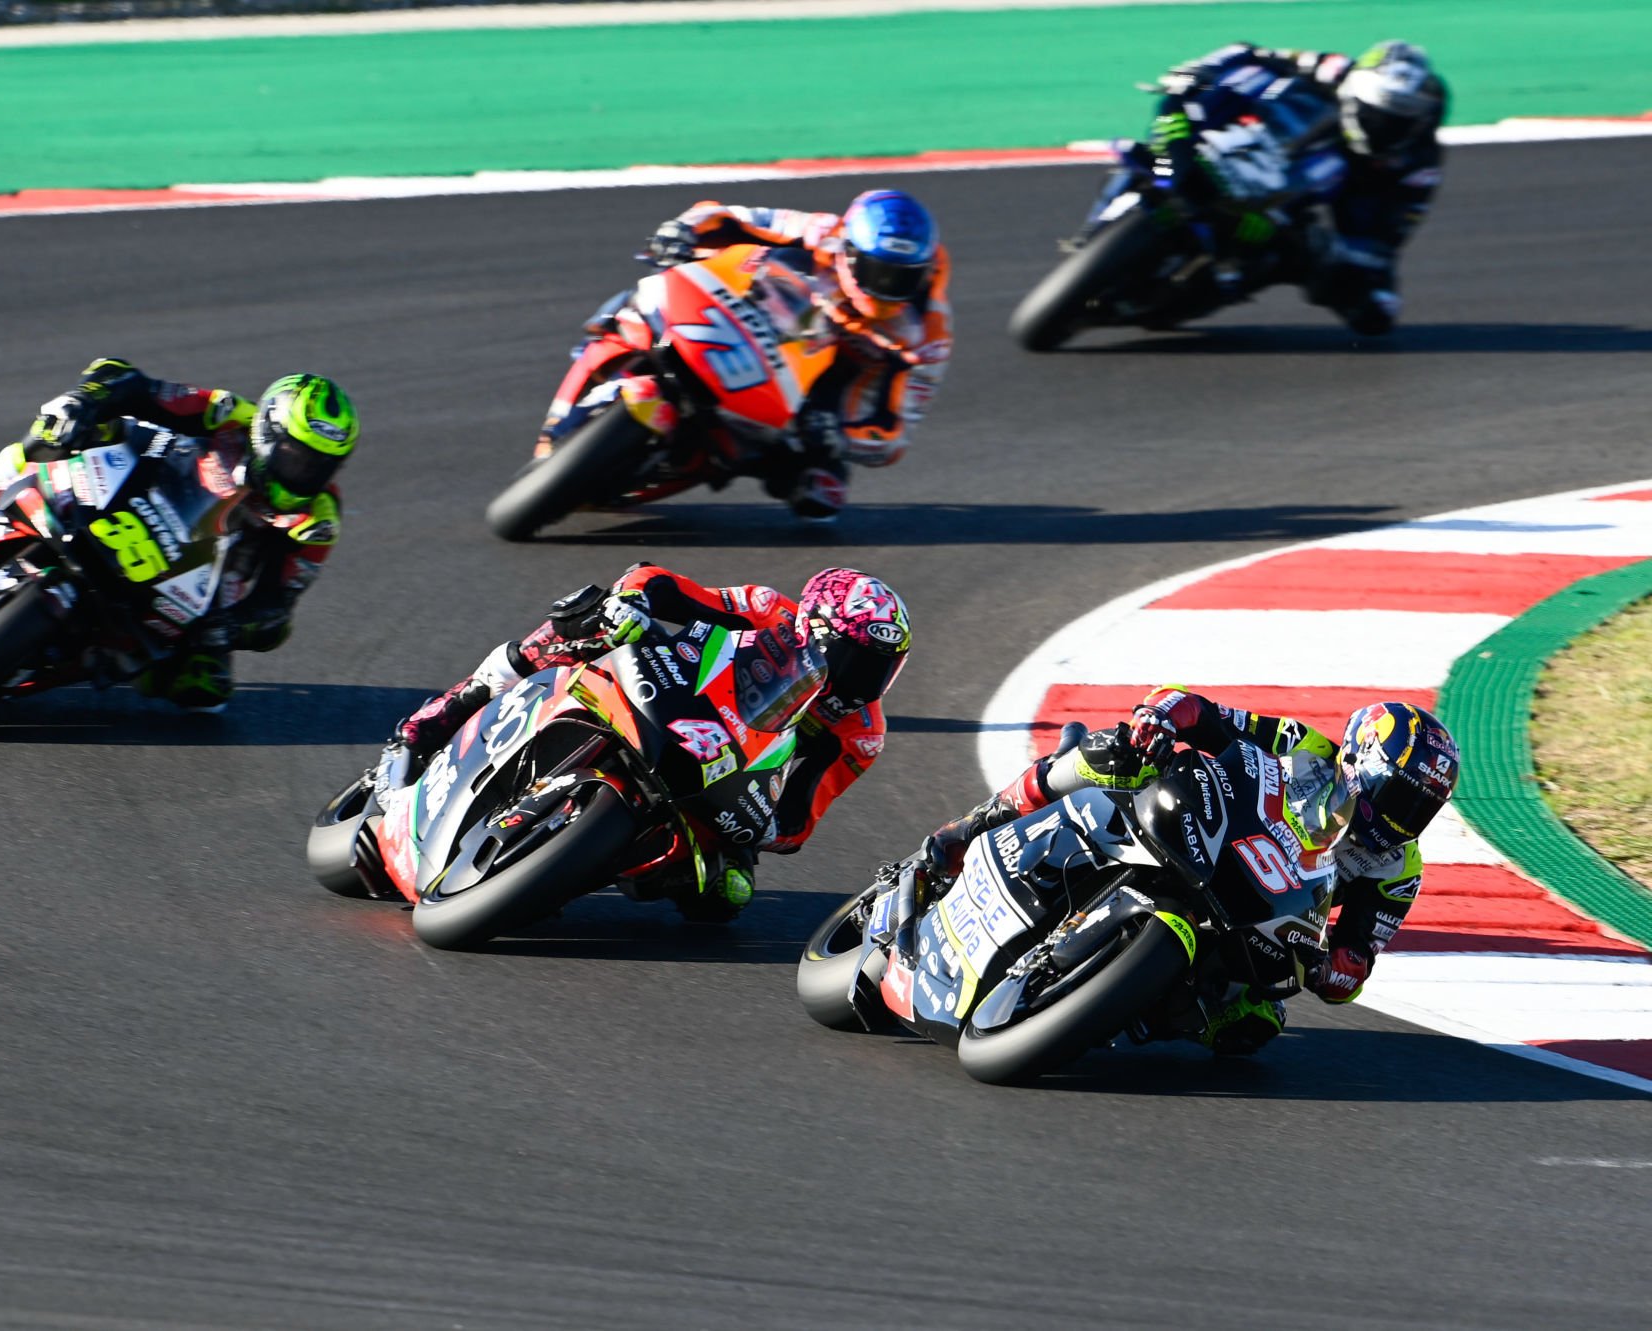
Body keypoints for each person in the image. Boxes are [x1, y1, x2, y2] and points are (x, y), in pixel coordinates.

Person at [917, 689, 1460, 1054]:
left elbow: (1358, 955)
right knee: (1119, 752)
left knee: (1255, 1023)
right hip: (1210, 837)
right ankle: (980, 822)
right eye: (1397, 798)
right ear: (1360, 761)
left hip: (1255, 913)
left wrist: (1336, 972)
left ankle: (1122, 1007)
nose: (1400, 820)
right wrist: (1159, 718)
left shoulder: (1398, 869)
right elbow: (1200, 711)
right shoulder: (1303, 746)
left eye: (1419, 810)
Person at [392, 565, 912, 915]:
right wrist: (632, 602)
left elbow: (799, 820)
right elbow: (661, 583)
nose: (863, 680)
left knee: (725, 896)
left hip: (728, 775)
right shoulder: (766, 609)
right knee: (584, 620)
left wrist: (763, 828)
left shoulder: (861, 734)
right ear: (811, 628)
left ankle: (566, 868)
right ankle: (455, 704)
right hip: (680, 695)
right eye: (854, 659)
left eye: (879, 669)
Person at [0, 356, 358, 713]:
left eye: (321, 465)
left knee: (205, 691)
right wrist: (86, 399)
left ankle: (89, 656)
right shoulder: (228, 414)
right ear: (267, 433)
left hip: (196, 585)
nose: (307, 473)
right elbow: (130, 382)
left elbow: (278, 604)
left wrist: (234, 624)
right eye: (297, 457)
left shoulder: (317, 519)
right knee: (55, 429)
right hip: (138, 504)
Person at [560, 188, 952, 521]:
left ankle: (706, 455)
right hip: (748, 316)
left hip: (816, 395)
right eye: (880, 272)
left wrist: (843, 433)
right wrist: (681, 232)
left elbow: (894, 432)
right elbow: (728, 217)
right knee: (648, 290)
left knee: (821, 491)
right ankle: (608, 344)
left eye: (904, 277)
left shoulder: (928, 334)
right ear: (850, 251)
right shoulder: (821, 231)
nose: (889, 288)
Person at [1149, 39, 1447, 334]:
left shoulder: (1416, 165)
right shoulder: (1334, 69)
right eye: (1376, 113)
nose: (1384, 127)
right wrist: (1197, 76)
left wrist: (1342, 267)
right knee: (1212, 90)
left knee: (1376, 312)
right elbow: (1248, 52)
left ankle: (1236, 268)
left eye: (1398, 122)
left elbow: (1385, 240)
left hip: (1297, 212)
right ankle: (1169, 155)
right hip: (1258, 141)